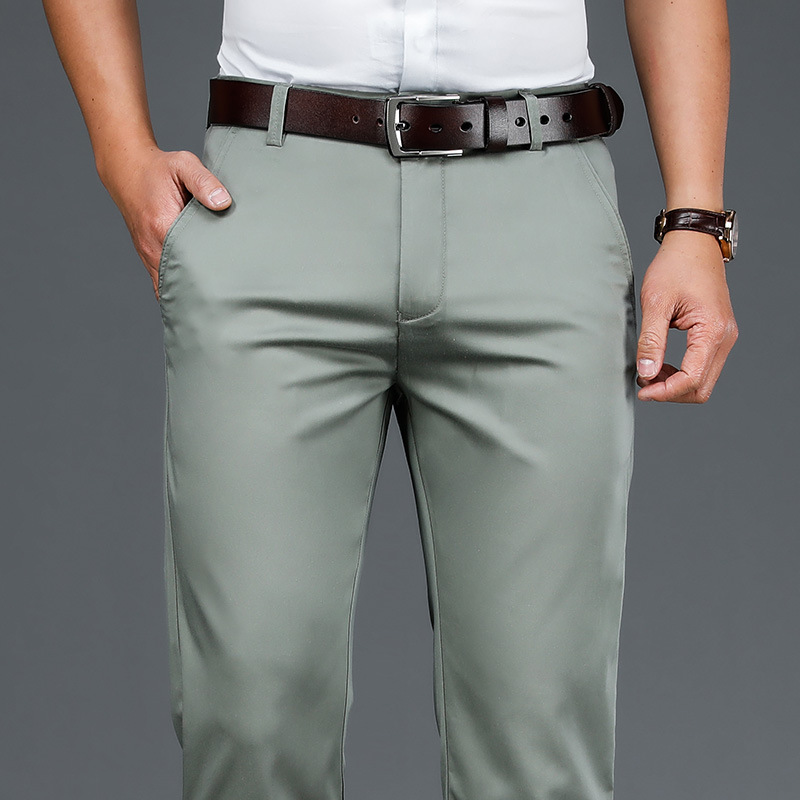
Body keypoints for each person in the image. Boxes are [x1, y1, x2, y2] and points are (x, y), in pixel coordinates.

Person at [42, 1, 738, 798]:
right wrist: (119, 150)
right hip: (274, 193)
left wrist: (696, 219)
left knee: (540, 737)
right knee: (249, 714)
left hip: (537, 200)